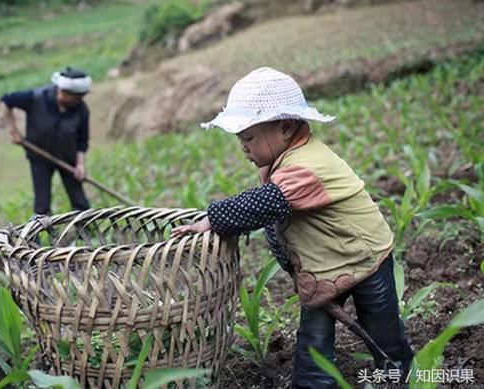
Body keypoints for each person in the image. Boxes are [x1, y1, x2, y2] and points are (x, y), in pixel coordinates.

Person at [171, 67, 414, 388]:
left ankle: (399, 376)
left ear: (285, 127)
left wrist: (213, 220)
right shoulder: (282, 161)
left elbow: (266, 204)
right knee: (313, 338)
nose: (243, 147)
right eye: (240, 139)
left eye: (249, 138)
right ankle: (313, 383)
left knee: (383, 333)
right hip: (324, 266)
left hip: (366, 258)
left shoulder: (306, 166)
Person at [0, 67, 92, 215]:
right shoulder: (37, 97)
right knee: (42, 205)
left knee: (80, 202)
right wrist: (13, 130)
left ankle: (88, 233)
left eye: (74, 96)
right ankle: (39, 236)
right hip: (39, 158)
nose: (61, 94)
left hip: (68, 159)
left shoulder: (81, 110)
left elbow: (82, 140)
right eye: (61, 90)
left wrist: (80, 165)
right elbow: (6, 101)